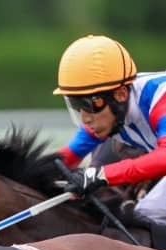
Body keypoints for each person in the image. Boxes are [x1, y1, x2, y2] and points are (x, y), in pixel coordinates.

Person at [54, 34, 166, 227]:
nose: (85, 118)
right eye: (76, 104)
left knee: (149, 212)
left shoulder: (159, 97)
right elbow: (65, 158)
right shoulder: (109, 113)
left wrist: (101, 175)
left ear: (120, 94)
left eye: (89, 104)